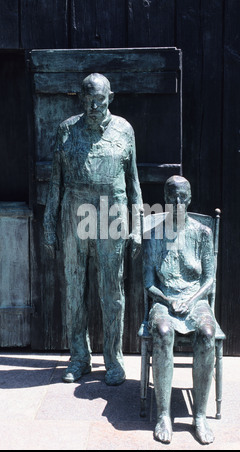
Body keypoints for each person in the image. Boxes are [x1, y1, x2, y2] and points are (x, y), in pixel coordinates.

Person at [44, 73, 143, 386]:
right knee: (74, 288)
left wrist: (137, 225)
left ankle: (113, 360)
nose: (94, 106)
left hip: (112, 216)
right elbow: (55, 182)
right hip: (74, 216)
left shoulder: (125, 129)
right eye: (88, 100)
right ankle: (78, 357)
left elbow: (134, 182)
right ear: (80, 99)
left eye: (100, 99)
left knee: (112, 291)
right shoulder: (66, 130)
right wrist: (50, 223)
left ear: (110, 98)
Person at [143, 175, 216, 444]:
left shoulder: (202, 233)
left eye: (182, 196)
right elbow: (148, 282)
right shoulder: (154, 235)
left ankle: (199, 415)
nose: (177, 201)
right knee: (162, 331)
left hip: (195, 300)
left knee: (207, 333)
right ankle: (163, 414)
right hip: (165, 300)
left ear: (189, 198)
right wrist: (167, 300)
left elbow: (209, 279)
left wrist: (192, 298)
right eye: (172, 196)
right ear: (165, 199)